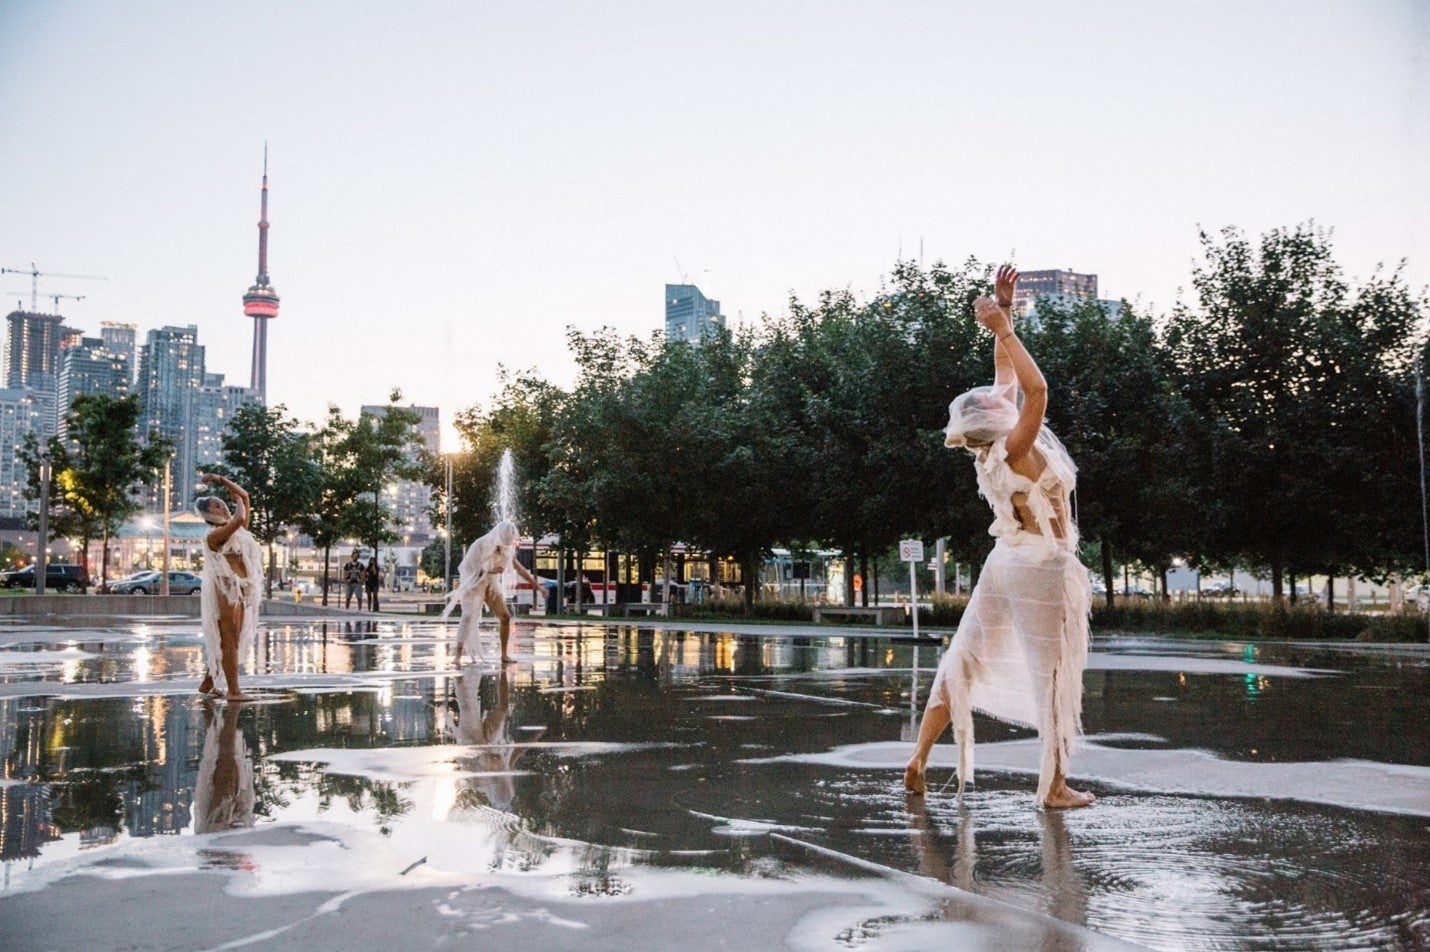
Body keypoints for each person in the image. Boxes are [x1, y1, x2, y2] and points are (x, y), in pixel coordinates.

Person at [904, 264, 1095, 810]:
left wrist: (1003, 311)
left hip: (1005, 559)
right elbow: (1035, 386)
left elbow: (1009, 381)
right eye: (991, 401)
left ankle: (917, 759)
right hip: (1040, 565)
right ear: (993, 421)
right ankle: (1054, 787)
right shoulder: (1016, 444)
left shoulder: (990, 450)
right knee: (1051, 674)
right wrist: (1003, 330)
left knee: (964, 656)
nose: (997, 395)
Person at [195, 473, 263, 701]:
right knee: (229, 638)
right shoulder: (215, 535)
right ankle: (234, 691)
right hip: (225, 591)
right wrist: (239, 503)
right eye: (216, 506)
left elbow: (244, 495)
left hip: (241, 589)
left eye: (221, 503)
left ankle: (208, 682)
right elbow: (238, 515)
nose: (222, 507)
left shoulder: (240, 530)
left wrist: (220, 479)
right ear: (208, 514)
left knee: (231, 638)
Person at [441, 520, 545, 664]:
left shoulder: (507, 549)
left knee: (505, 616)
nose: (507, 545)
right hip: (473, 583)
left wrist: (538, 586)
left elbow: (520, 569)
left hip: (490, 583)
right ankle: (457, 655)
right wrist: (488, 570)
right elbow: (467, 568)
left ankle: (504, 655)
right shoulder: (480, 544)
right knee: (468, 616)